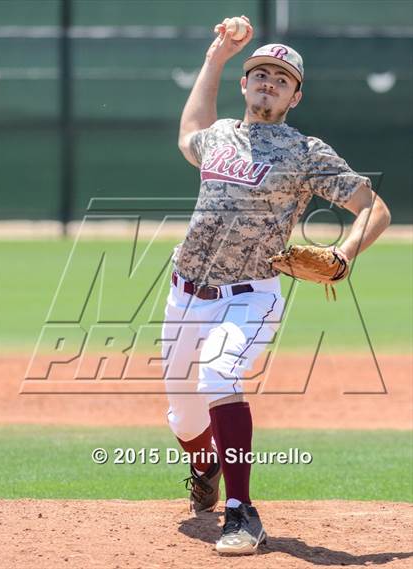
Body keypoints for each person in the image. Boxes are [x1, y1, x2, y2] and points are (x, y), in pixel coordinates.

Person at [161, 15, 391, 556]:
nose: (269, 82)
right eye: (260, 73)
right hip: (184, 291)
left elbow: (373, 209)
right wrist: (216, 55)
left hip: (250, 294)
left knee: (219, 375)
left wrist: (342, 253)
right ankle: (205, 467)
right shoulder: (219, 138)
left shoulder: (305, 151)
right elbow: (188, 132)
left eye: (281, 78)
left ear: (295, 95)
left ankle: (243, 514)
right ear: (245, 84)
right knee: (183, 416)